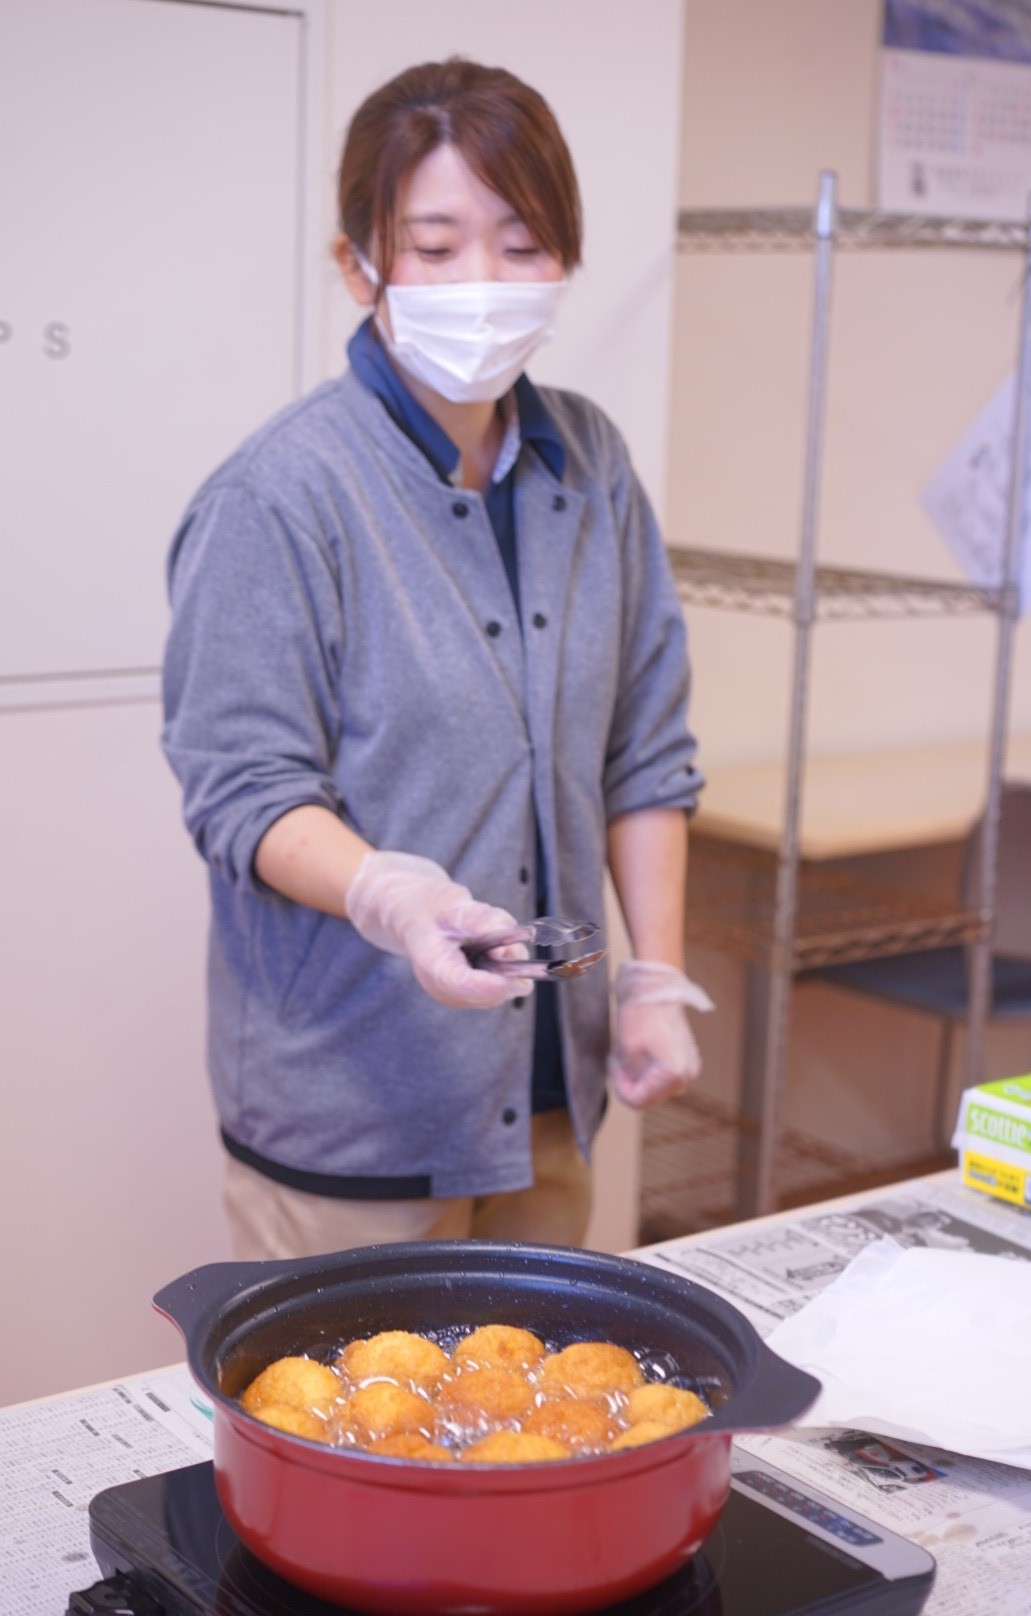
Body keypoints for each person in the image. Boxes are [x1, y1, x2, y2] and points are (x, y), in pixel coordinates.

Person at [162, 57, 711, 1262]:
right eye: (436, 244)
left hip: (550, 1087)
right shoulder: (280, 494)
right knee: (357, 1388)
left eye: (523, 244)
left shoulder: (591, 462)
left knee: (535, 1383)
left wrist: (653, 975)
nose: (484, 283)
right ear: (358, 262)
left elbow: (645, 749)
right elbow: (244, 789)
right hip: (356, 1107)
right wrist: (393, 897)